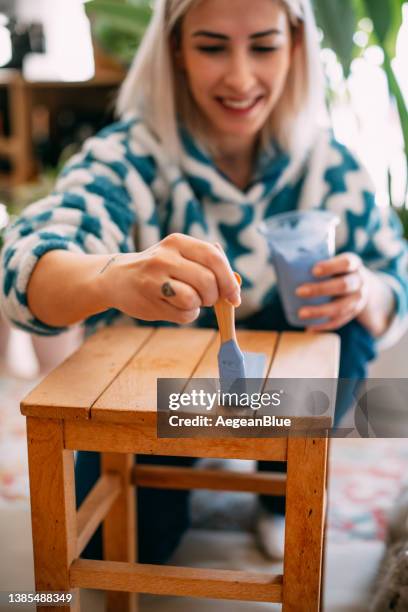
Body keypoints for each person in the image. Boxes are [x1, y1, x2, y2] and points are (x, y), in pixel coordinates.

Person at [1, 0, 407, 562]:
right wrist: (112, 276)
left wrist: (367, 291)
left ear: (294, 46)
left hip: (287, 390)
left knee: (342, 315)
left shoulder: (331, 166)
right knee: (115, 551)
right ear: (175, 51)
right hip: (159, 398)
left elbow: (394, 278)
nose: (240, 78)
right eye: (212, 47)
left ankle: (281, 480)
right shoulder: (130, 158)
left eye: (262, 46)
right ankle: (205, 451)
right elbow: (26, 265)